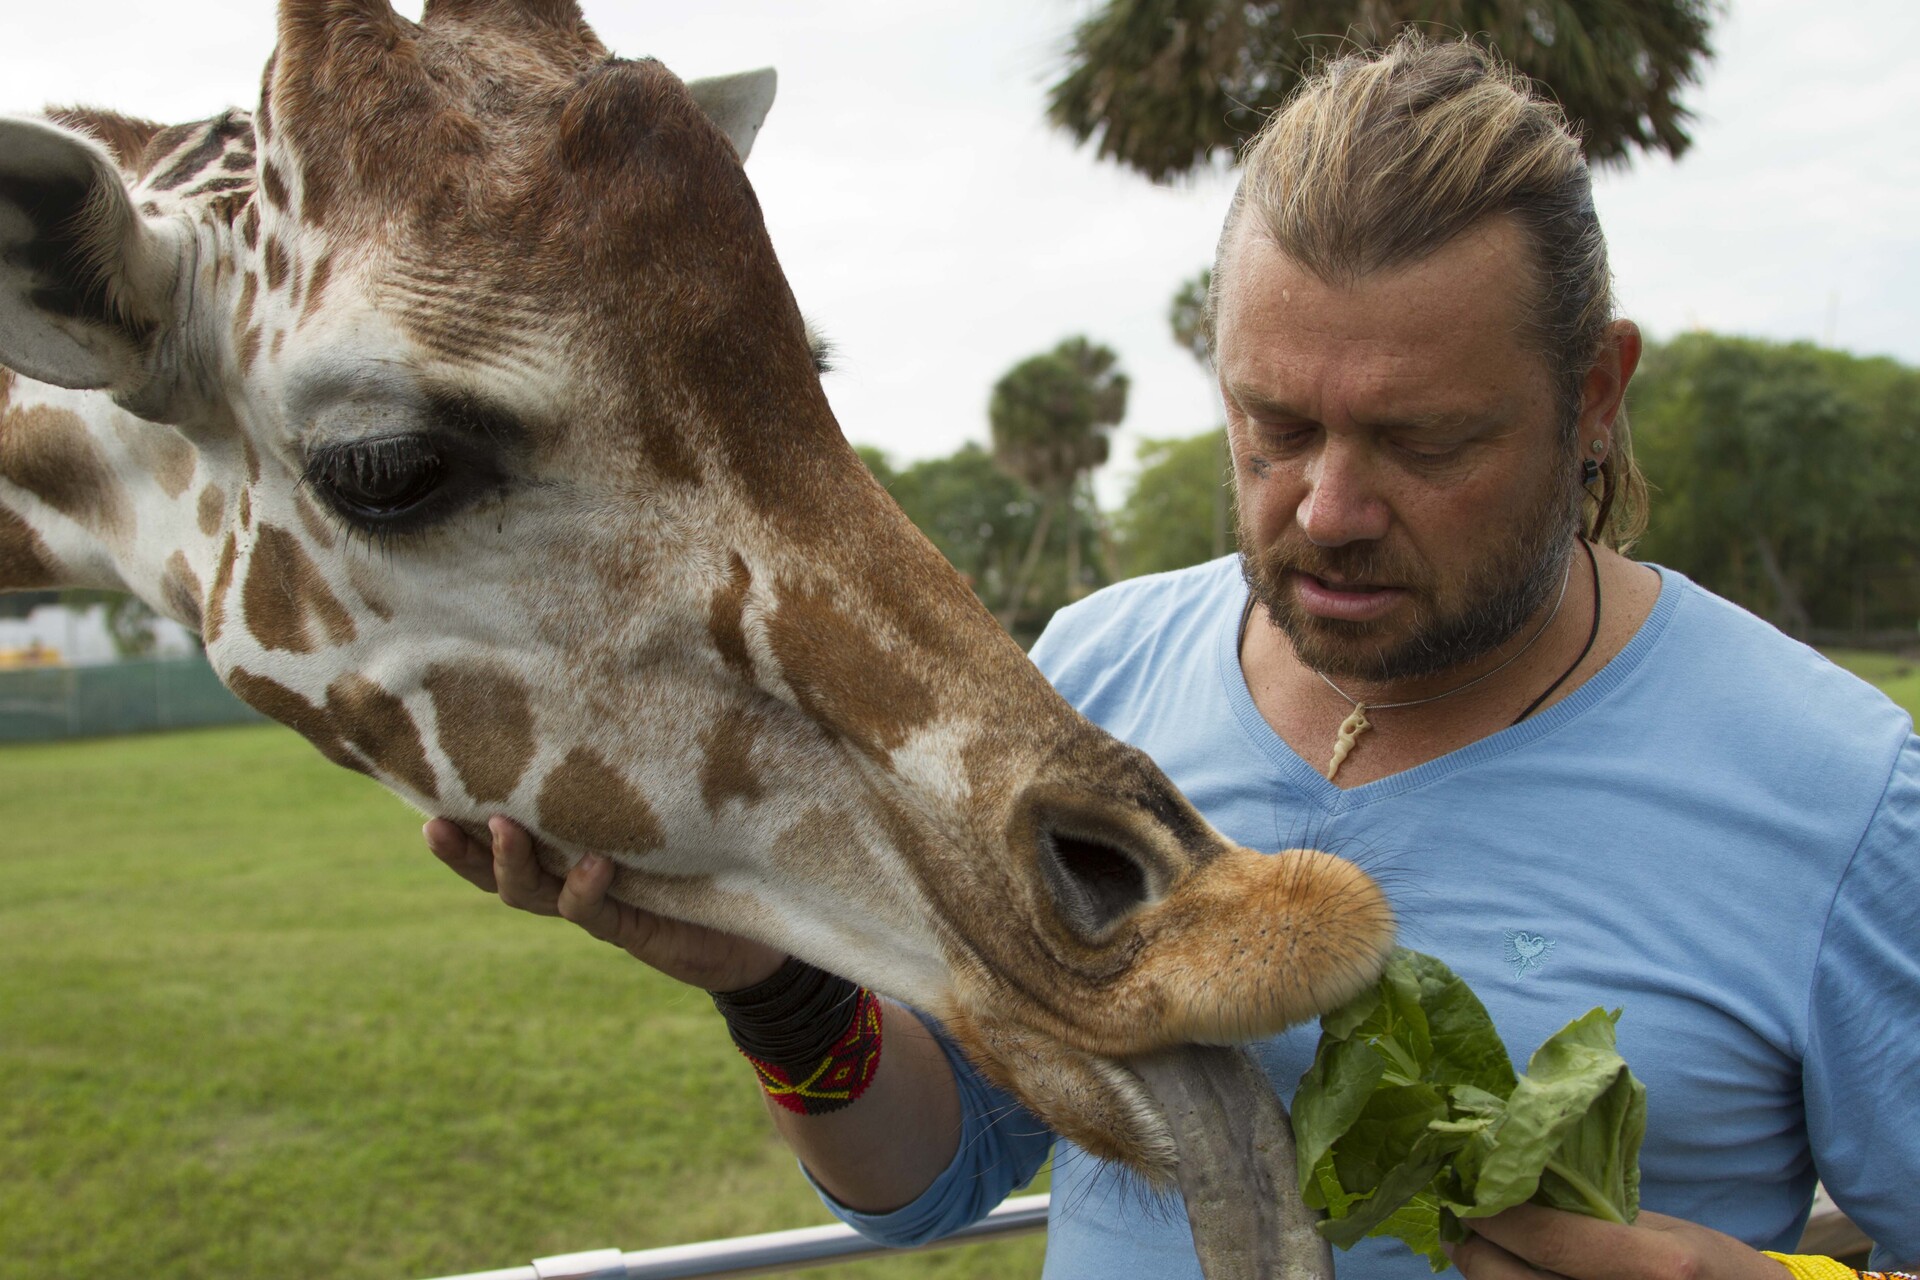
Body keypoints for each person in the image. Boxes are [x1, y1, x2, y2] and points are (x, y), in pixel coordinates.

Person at [425, 34, 1919, 1279]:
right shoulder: (1096, 677)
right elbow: (933, 1175)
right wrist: (776, 982)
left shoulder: (1840, 797)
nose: (1327, 511)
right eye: (1274, 425)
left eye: (1426, 438)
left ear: (1595, 394)